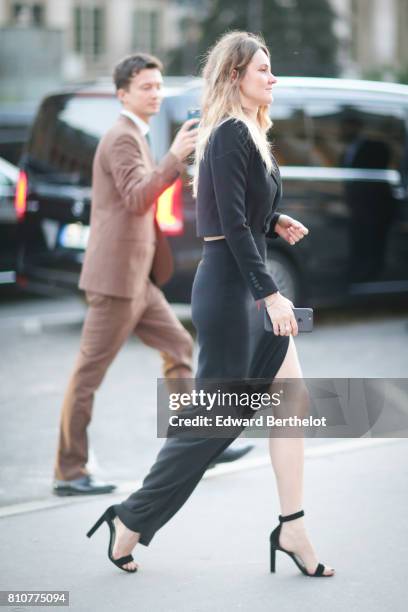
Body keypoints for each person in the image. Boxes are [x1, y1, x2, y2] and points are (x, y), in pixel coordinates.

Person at [86, 33, 335, 578]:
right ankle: (131, 518)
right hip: (230, 291)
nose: (273, 78)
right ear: (233, 77)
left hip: (246, 282)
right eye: (262, 69)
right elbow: (224, 226)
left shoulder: (249, 132)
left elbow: (242, 212)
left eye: (272, 68)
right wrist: (269, 293)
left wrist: (275, 221)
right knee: (215, 422)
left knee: (292, 402)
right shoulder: (225, 134)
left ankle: (292, 526)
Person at [53, 53, 252, 497]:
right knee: (89, 375)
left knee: (179, 346)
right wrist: (174, 158)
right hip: (115, 281)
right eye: (146, 87)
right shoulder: (122, 138)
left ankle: (195, 443)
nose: (156, 93)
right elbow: (138, 197)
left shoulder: (136, 135)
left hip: (138, 278)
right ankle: (69, 471)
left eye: (158, 86)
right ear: (122, 94)